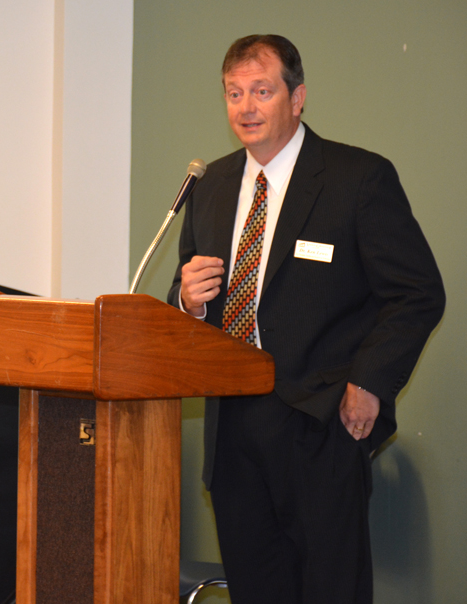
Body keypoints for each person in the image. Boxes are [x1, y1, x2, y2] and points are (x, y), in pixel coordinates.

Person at [167, 34, 445, 604]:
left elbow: (418, 293)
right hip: (232, 431)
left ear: (297, 99)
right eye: (234, 93)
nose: (245, 107)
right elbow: (188, 291)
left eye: (261, 91)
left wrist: (369, 381)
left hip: (321, 421)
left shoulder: (357, 179)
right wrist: (186, 301)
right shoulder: (211, 186)